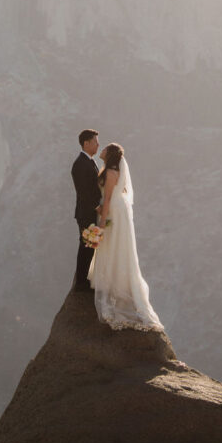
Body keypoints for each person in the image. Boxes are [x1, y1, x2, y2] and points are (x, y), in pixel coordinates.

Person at [87, 142, 163, 332]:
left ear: (110, 154)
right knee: (113, 245)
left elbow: (109, 199)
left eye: (104, 149)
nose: (101, 150)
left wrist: (102, 222)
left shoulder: (111, 174)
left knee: (114, 245)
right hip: (113, 209)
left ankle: (115, 284)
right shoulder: (107, 170)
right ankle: (111, 279)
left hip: (114, 211)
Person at [70, 128, 102, 292]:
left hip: (89, 211)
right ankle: (81, 282)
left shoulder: (88, 161)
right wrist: (97, 207)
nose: (98, 145)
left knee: (89, 245)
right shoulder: (81, 164)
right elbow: (84, 193)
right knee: (86, 245)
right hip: (86, 212)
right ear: (86, 143)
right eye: (95, 142)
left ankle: (83, 279)